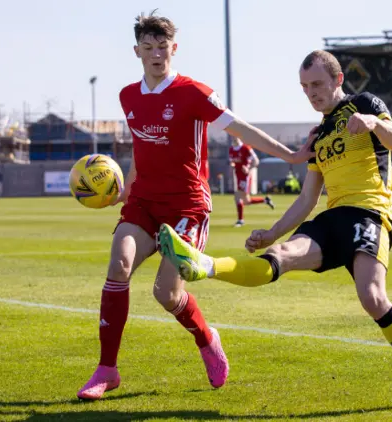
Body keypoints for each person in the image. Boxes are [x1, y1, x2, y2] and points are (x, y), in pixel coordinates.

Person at [159, 50, 392, 409]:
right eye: (305, 87)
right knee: (278, 257)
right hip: (332, 218)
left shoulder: (364, 103)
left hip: (370, 214)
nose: (311, 93)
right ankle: (205, 265)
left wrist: (374, 124)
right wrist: (272, 233)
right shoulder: (318, 134)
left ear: (337, 80)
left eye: (318, 85)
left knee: (372, 297)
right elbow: (308, 198)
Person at [76, 11, 312, 401]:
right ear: (137, 51)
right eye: (148, 47)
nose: (156, 54)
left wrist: (290, 155)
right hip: (143, 203)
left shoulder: (193, 93)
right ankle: (107, 369)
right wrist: (126, 190)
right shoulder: (127, 96)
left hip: (187, 206)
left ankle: (206, 338)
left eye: (163, 47)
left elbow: (239, 127)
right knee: (118, 266)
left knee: (166, 294)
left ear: (174, 49)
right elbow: (139, 150)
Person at [228, 137, 275, 227]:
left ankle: (240, 220)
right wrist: (233, 165)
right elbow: (232, 162)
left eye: (235, 136)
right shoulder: (231, 149)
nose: (234, 138)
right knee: (246, 201)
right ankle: (265, 200)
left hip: (245, 177)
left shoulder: (246, 148)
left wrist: (248, 168)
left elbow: (256, 161)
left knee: (238, 197)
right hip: (238, 176)